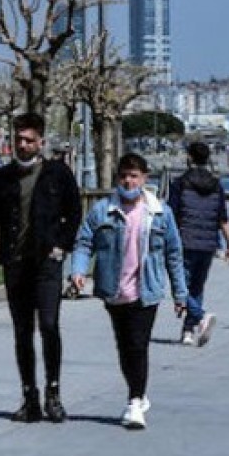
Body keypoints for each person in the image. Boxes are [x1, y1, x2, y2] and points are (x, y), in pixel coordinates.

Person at [0, 112, 82, 423]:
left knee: (48, 326)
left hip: (47, 262)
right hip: (15, 263)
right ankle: (29, 395)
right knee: (22, 332)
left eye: (29, 140)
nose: (23, 145)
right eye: (18, 139)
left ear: (40, 142)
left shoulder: (57, 173)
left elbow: (74, 212)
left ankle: (53, 393)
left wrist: (62, 245)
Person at [70, 153, 187, 430]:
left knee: (138, 344)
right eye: (124, 175)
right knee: (124, 347)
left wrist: (180, 294)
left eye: (134, 176)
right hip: (114, 289)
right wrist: (77, 270)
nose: (128, 181)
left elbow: (174, 254)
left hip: (147, 290)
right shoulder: (103, 210)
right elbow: (84, 241)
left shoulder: (160, 213)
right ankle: (139, 391)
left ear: (145, 179)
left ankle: (134, 402)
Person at [168, 142, 229, 347]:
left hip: (184, 241)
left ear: (189, 158)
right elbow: (223, 217)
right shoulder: (216, 185)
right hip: (208, 243)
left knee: (180, 285)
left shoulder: (179, 183)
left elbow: (171, 214)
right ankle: (188, 330)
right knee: (196, 286)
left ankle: (200, 317)